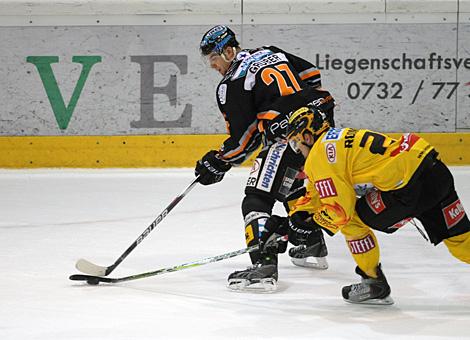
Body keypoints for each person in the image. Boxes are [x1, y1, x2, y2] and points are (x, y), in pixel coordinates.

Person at [260, 104, 470, 304]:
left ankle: (373, 282)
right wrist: (292, 220)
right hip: (435, 172)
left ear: (307, 136)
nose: (298, 151)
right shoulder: (336, 139)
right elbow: (317, 192)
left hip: (408, 190)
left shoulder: (319, 156)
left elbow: (340, 211)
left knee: (352, 221)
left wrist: (303, 227)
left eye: (296, 143)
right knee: (461, 242)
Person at [194, 25, 335, 291]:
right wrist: (296, 104)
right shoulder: (270, 52)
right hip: (321, 129)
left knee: (257, 197)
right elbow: (312, 75)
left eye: (213, 58)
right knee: (291, 183)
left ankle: (264, 265)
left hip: (289, 138)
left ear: (227, 50)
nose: (212, 65)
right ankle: (311, 242)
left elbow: (243, 141)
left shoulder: (232, 84)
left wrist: (218, 161)